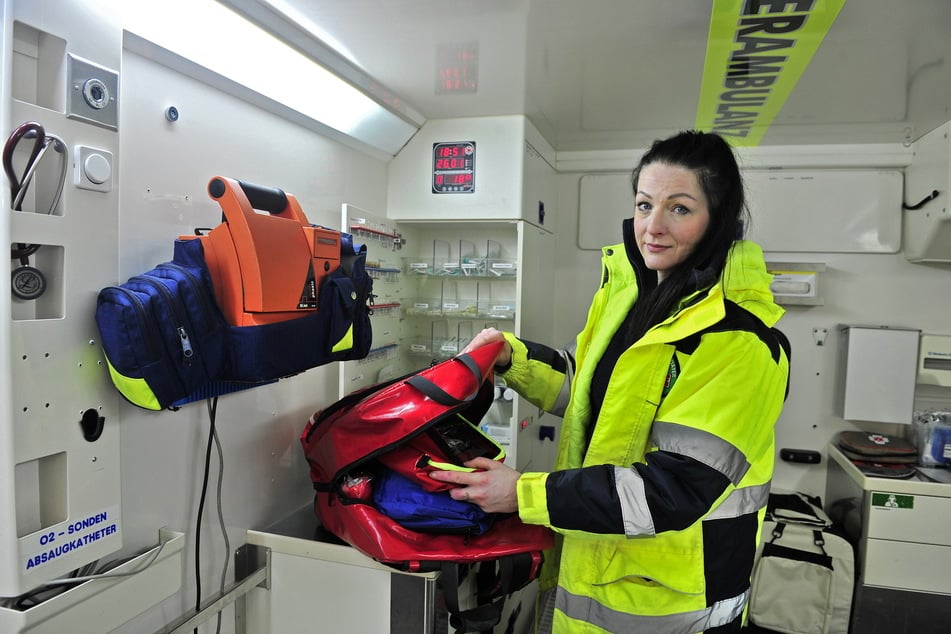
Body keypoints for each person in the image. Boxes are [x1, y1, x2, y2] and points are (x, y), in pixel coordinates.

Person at [429, 130, 790, 633]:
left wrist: (523, 495)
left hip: (671, 604)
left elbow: (675, 490)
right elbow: (584, 394)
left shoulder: (738, 340)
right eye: (644, 205)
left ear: (718, 219)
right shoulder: (630, 301)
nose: (653, 227)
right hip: (596, 565)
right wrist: (511, 357)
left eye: (679, 208)